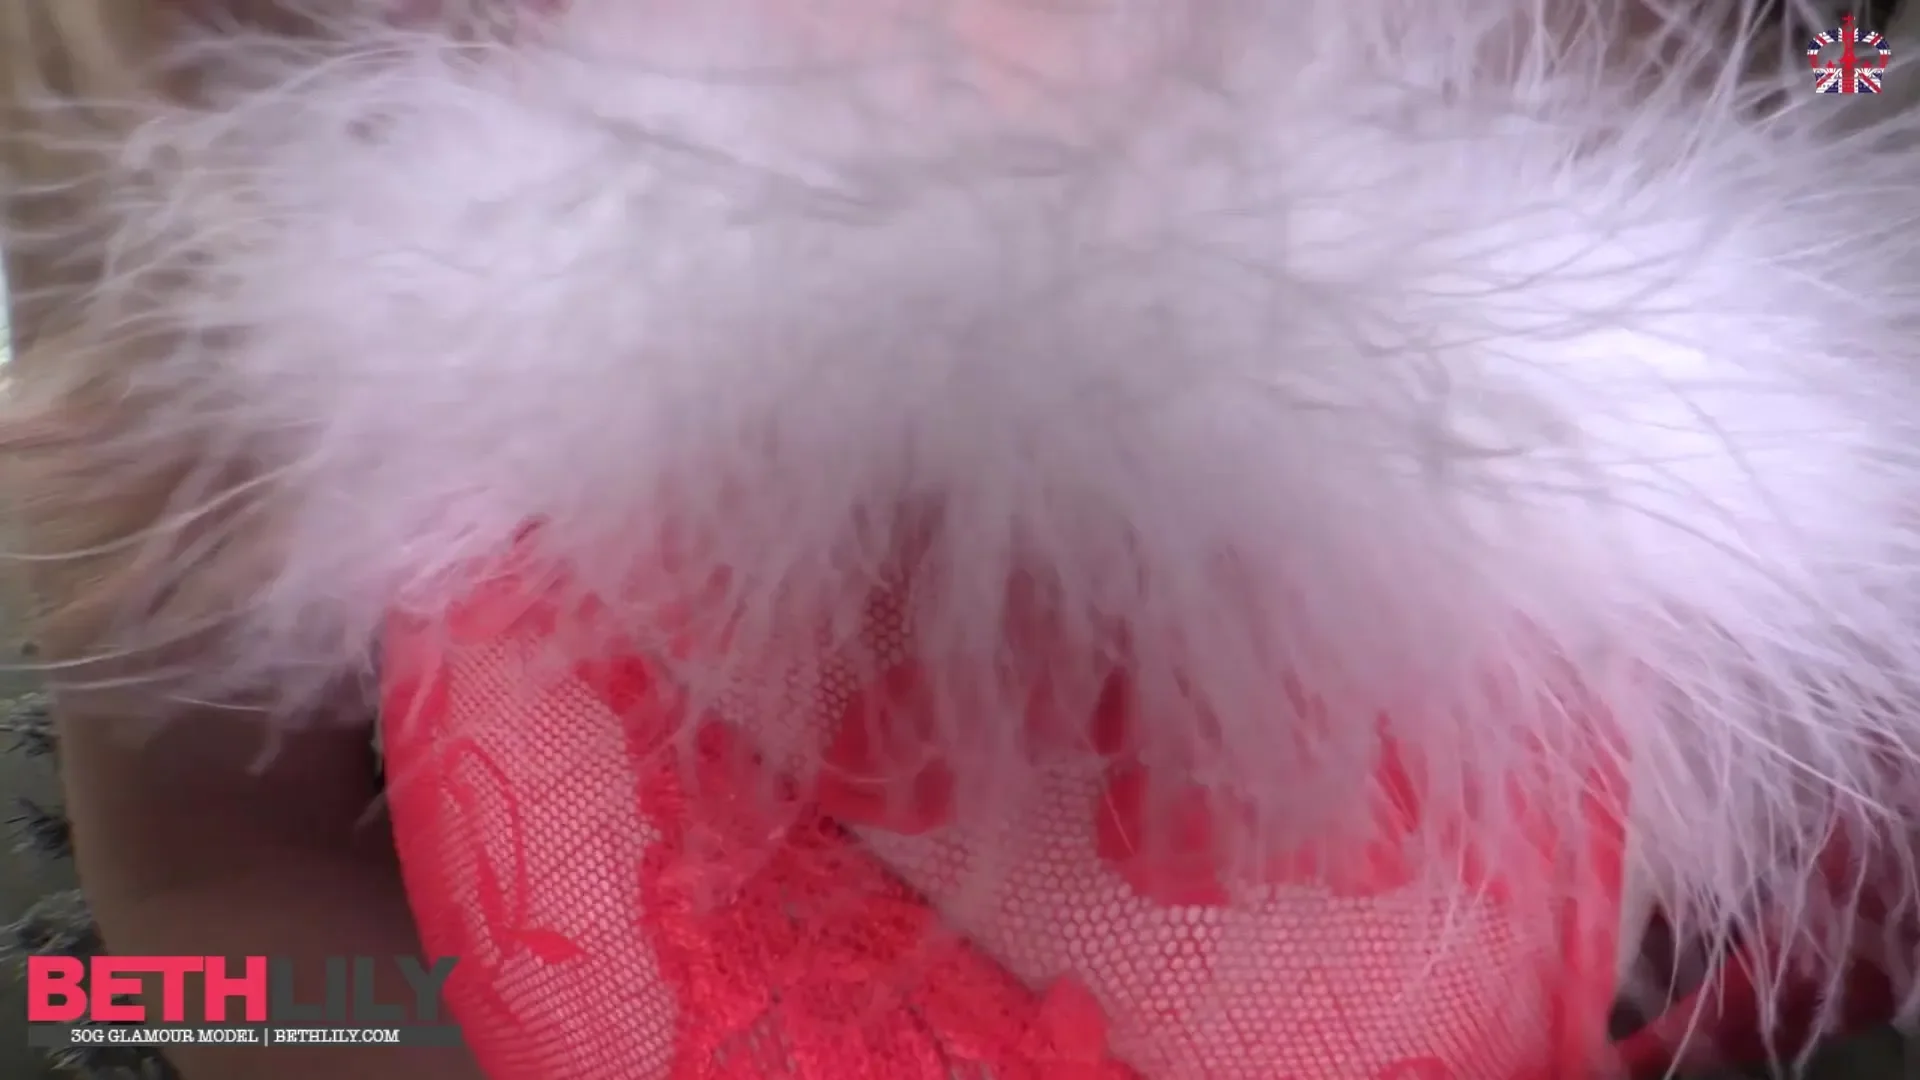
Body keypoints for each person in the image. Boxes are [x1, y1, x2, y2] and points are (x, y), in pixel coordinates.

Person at [5, 2, 1920, 1078]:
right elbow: (149, 942)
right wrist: (361, 1042)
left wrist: (1849, 62)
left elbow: (1838, 56)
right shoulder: (240, 168)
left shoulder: (1595, 91)